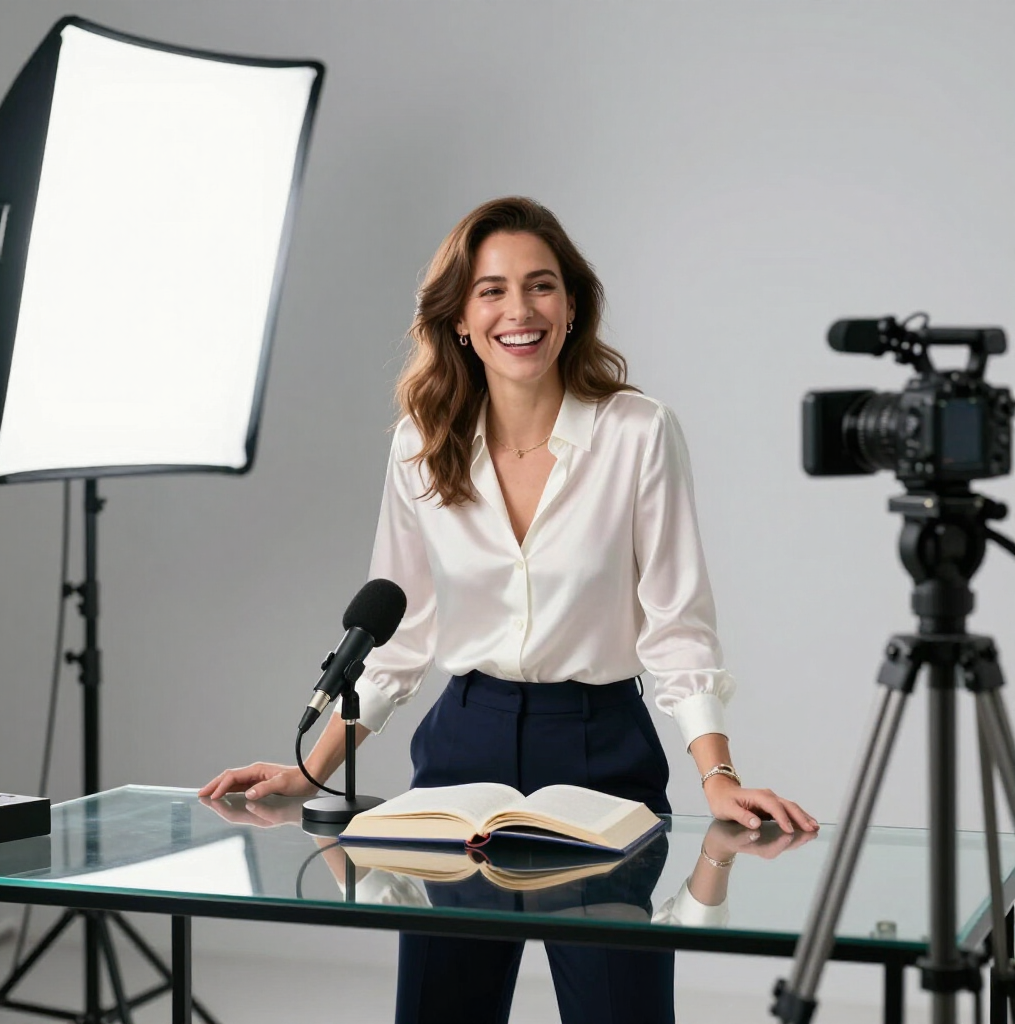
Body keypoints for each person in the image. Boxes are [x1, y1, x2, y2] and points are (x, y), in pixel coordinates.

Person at [200, 196, 818, 1024]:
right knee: (439, 1010)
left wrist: (720, 775)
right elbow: (401, 634)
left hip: (601, 745)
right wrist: (309, 771)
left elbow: (676, 624)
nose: (518, 311)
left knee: (620, 1009)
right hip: (464, 741)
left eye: (540, 287)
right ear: (459, 316)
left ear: (571, 307)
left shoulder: (638, 433)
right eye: (491, 291)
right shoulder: (420, 445)